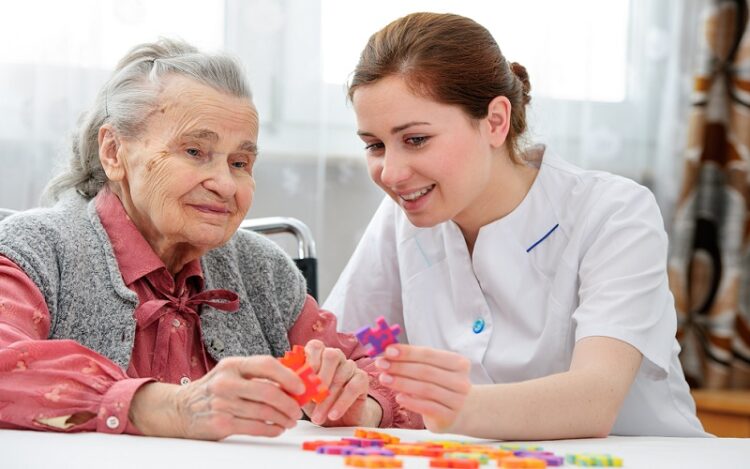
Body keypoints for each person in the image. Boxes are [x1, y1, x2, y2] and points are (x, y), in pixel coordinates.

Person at [0, 38, 421, 440]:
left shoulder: (265, 272)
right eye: (194, 152)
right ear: (113, 151)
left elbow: (386, 376)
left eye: (240, 162)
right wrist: (171, 407)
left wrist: (361, 402)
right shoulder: (35, 250)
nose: (224, 183)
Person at [324, 12, 708, 439]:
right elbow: (345, 348)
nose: (391, 174)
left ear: (495, 121)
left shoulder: (614, 213)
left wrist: (451, 407)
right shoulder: (404, 216)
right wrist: (336, 389)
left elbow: (594, 400)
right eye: (375, 146)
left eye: (416, 139)